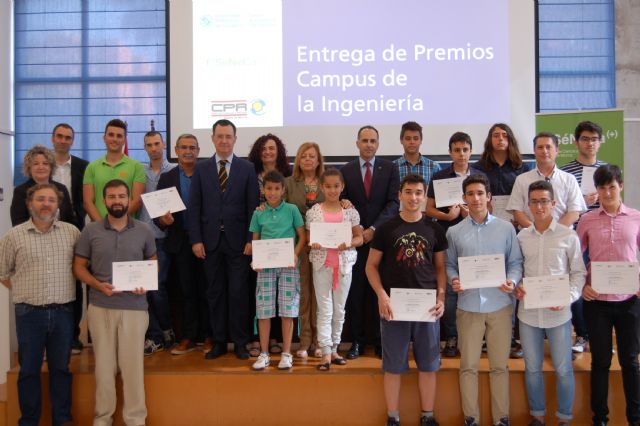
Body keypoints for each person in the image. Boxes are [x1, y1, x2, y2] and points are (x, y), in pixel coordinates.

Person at [365, 173, 447, 426]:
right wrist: (381, 295)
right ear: (400, 194)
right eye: (408, 192)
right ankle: (393, 416)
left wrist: (441, 297)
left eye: (418, 193)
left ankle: (428, 416)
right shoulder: (387, 229)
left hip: (427, 308)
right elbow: (370, 266)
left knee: (429, 364)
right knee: (393, 365)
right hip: (394, 308)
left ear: (424, 197)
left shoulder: (434, 229)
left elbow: (441, 269)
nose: (413, 197)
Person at [73, 179, 155, 426]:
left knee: (132, 370)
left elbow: (152, 262)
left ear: (129, 199)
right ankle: (102, 419)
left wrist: (146, 282)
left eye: (121, 196)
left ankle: (135, 420)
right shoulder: (91, 231)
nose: (117, 201)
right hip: (101, 308)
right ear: (104, 200)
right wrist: (97, 285)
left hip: (135, 309)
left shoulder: (143, 230)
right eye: (111, 197)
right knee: (104, 370)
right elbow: (79, 267)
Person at [445, 174, 523, 426]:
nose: (476, 198)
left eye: (480, 193)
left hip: (500, 305)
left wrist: (511, 280)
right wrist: (454, 280)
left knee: (499, 366)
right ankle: (472, 418)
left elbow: (515, 263)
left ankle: (501, 418)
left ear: (489, 197)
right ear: (464, 199)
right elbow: (449, 265)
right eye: (470, 194)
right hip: (468, 306)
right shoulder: (454, 232)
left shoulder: (506, 228)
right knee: (468, 366)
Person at [0, 183, 80, 426]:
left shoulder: (72, 233)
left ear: (59, 205)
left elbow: (82, 267)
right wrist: (25, 290)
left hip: (64, 312)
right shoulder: (13, 236)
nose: (46, 204)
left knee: (61, 370)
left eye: (51, 200)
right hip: (28, 313)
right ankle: (29, 420)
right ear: (29, 203)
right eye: (40, 199)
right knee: (29, 371)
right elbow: (3, 272)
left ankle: (62, 419)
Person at [515, 180, 586, 426]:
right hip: (529, 314)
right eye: (534, 201)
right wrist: (518, 287)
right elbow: (516, 270)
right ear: (528, 205)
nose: (539, 206)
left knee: (563, 368)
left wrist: (567, 298)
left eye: (544, 201)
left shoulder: (569, 235)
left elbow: (579, 273)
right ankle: (537, 416)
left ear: (554, 204)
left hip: (559, 315)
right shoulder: (522, 237)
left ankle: (564, 418)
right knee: (532, 368)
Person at [188, 119, 260, 360]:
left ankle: (240, 342)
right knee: (214, 293)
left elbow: (253, 207)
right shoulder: (201, 169)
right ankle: (219, 341)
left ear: (235, 139)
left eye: (228, 136)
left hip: (239, 242)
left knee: (239, 293)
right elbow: (194, 206)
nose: (224, 140)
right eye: (220, 136)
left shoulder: (247, 168)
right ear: (212, 138)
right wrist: (196, 239)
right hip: (209, 243)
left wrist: (252, 238)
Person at [577, 164, 640, 426]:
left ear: (621, 186)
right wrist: (582, 285)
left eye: (611, 187)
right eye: (602, 188)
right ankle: (600, 418)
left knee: (631, 362)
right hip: (597, 303)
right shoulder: (587, 219)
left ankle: (635, 418)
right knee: (600, 362)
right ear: (597, 191)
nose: (607, 192)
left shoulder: (636, 217)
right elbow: (574, 258)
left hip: (629, 302)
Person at [474, 123, 532, 360]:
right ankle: (488, 335)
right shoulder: (478, 168)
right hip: (486, 230)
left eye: (504, 135)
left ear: (511, 139)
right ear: (489, 139)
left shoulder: (521, 168)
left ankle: (513, 337)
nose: (500, 139)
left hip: (516, 231)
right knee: (487, 278)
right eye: (495, 135)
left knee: (513, 281)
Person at [341, 125, 400, 359]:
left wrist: (373, 229)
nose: (368, 144)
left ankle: (379, 340)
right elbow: (343, 202)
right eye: (364, 140)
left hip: (380, 240)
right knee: (356, 292)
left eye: (372, 141)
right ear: (357, 143)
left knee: (379, 291)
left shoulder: (390, 168)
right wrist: (359, 231)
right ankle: (356, 340)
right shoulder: (345, 170)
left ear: (378, 144)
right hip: (354, 241)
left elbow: (393, 204)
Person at [425, 132, 483, 358]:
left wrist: (473, 213)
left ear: (471, 151)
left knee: (474, 285)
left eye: (465, 150)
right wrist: (448, 216)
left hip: (475, 238)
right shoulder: (440, 176)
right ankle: (451, 336)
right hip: (447, 237)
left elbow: (489, 208)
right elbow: (428, 209)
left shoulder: (479, 175)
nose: (461, 154)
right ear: (450, 152)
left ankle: (475, 335)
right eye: (456, 150)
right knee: (450, 289)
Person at [155, 134, 212, 356]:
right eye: (183, 147)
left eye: (192, 147)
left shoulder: (208, 175)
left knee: (208, 290)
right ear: (176, 151)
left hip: (206, 242)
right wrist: (162, 220)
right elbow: (157, 214)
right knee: (186, 292)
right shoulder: (167, 178)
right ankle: (188, 337)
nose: (188, 151)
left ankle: (209, 335)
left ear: (198, 151)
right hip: (179, 243)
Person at [306, 168, 363, 370]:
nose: (332, 190)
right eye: (328, 186)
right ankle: (326, 351)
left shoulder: (350, 211)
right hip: (322, 265)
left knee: (339, 309)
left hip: (344, 266)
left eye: (336, 186)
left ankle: (336, 348)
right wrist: (313, 244)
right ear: (322, 187)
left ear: (342, 187)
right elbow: (309, 238)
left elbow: (359, 237)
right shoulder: (314, 212)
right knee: (325, 310)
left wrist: (349, 243)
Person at [249, 170, 306, 370]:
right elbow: (255, 239)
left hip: (288, 266)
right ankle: (264, 354)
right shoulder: (259, 212)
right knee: (264, 310)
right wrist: (256, 259)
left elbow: (302, 237)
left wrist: (295, 254)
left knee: (288, 309)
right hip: (265, 268)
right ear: (263, 190)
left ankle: (286, 353)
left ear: (283, 190)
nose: (272, 193)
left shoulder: (291, 210)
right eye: (269, 189)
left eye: (276, 189)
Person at [559, 120, 607, 355]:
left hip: (602, 238)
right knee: (577, 286)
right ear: (577, 142)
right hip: (575, 237)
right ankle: (582, 334)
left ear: (600, 142)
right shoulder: (566, 172)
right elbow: (562, 205)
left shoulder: (607, 170)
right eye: (585, 139)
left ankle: (599, 335)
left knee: (600, 285)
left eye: (594, 139)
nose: (590, 143)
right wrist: (581, 203)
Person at [247, 133, 292, 355]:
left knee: (283, 297)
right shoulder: (249, 172)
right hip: (261, 242)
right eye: (263, 148)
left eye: (272, 148)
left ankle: (276, 341)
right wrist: (251, 242)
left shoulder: (289, 173)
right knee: (261, 296)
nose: (267, 152)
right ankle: (258, 340)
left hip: (284, 246)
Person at [50, 123, 89, 355]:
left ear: (72, 141)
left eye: (68, 137)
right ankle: (52, 334)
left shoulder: (83, 166)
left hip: (74, 230)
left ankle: (74, 334)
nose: (64, 141)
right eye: (60, 136)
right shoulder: (43, 164)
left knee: (75, 281)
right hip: (45, 230)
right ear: (53, 138)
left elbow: (86, 198)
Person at [284, 142, 326, 359]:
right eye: (304, 156)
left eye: (312, 156)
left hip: (323, 249)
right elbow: (279, 210)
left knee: (320, 294)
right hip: (298, 247)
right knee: (303, 295)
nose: (308, 159)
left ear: (319, 160)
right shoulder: (288, 184)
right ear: (298, 160)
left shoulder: (326, 183)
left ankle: (319, 341)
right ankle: (305, 340)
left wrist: (346, 203)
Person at [138, 131, 176, 356]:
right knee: (144, 290)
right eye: (148, 145)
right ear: (144, 148)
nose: (153, 148)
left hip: (163, 238)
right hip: (140, 238)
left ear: (163, 145)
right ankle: (156, 335)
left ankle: (166, 328)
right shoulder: (139, 171)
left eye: (156, 143)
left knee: (158, 288)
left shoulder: (173, 171)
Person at [507, 132, 586, 229]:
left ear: (557, 150)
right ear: (534, 151)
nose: (544, 151)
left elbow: (574, 212)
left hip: (562, 237)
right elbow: (517, 211)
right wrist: (536, 231)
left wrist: (554, 231)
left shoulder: (569, 179)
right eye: (540, 147)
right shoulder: (522, 179)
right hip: (531, 238)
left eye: (548, 147)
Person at [83, 118, 145, 221]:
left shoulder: (136, 166)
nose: (114, 139)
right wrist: (102, 226)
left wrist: (117, 221)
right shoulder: (92, 167)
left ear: (124, 140)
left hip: (127, 229)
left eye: (119, 136)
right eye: (111, 135)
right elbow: (87, 202)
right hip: (99, 228)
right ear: (104, 138)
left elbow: (137, 201)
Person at [11, 144, 75, 227]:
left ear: (51, 167)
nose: (41, 167)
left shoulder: (61, 188)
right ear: (29, 168)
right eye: (36, 164)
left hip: (60, 236)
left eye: (45, 163)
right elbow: (17, 222)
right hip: (31, 237)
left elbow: (69, 218)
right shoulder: (20, 191)